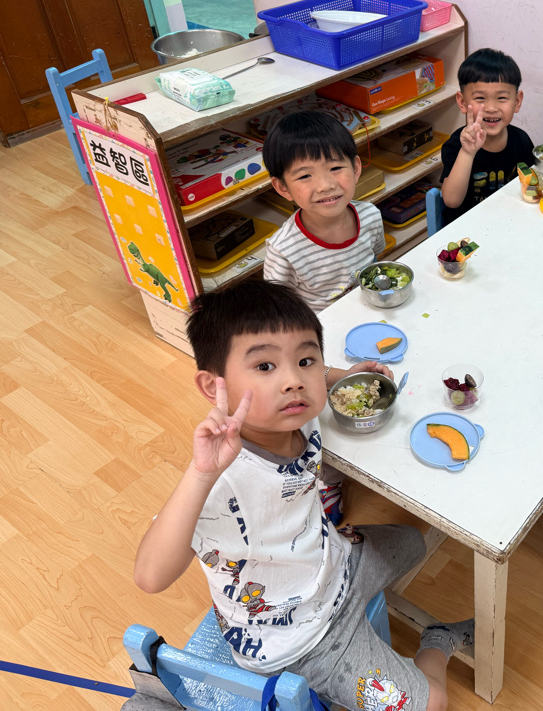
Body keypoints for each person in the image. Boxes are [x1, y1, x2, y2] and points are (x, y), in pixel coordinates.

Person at [134, 280, 471, 711]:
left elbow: (314, 377)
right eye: (264, 366)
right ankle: (437, 642)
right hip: (300, 642)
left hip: (335, 565)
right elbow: (150, 576)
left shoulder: (296, 414)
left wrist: (343, 376)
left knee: (413, 542)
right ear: (212, 386)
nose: (294, 381)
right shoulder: (222, 478)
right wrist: (201, 475)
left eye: (305, 360)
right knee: (433, 704)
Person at [263, 110, 385, 313]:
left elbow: (375, 258)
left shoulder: (370, 216)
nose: (325, 185)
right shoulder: (284, 250)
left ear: (356, 168)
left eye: (335, 168)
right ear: (283, 187)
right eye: (305, 176)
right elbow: (279, 309)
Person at [439, 48, 534, 226]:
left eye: (502, 98)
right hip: (467, 230)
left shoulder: (521, 140)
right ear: (462, 102)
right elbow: (451, 201)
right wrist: (467, 153)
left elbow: (530, 185)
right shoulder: (457, 145)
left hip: (509, 222)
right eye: (480, 98)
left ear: (517, 101)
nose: (491, 108)